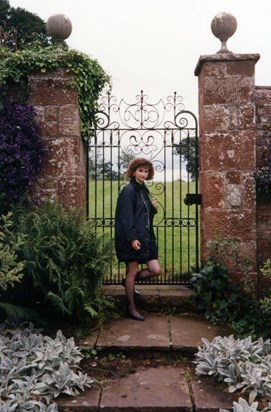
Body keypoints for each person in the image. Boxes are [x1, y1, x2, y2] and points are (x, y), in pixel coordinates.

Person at [115, 157, 161, 321]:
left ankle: (128, 282)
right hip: (132, 238)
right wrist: (132, 239)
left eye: (146, 171)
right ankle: (132, 308)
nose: (143, 174)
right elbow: (126, 218)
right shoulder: (129, 191)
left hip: (146, 237)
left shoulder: (143, 190)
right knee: (132, 270)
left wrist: (153, 209)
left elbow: (144, 214)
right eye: (140, 171)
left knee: (155, 270)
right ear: (133, 171)